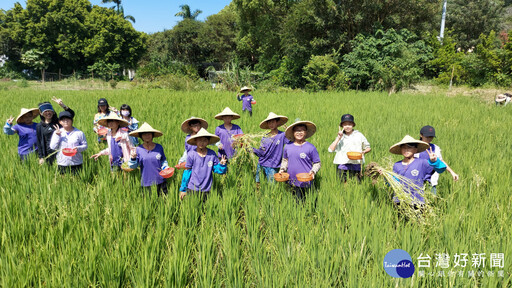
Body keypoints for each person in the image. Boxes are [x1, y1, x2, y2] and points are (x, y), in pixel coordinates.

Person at [388, 135, 446, 206]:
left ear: (415, 150)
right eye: (404, 148)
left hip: (417, 201)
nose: (406, 150)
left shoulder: (422, 163)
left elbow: (441, 169)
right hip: (400, 201)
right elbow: (394, 182)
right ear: (401, 150)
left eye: (409, 148)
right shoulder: (397, 165)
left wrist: (434, 161)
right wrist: (385, 176)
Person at [179, 128, 228, 201]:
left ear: (208, 142)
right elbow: (187, 172)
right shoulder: (191, 154)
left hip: (207, 189)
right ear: (196, 141)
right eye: (200, 140)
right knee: (193, 210)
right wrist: (183, 189)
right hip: (192, 188)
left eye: (205, 140)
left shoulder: (212, 154)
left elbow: (217, 169)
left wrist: (222, 165)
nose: (202, 142)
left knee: (205, 211)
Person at [279, 121, 321, 201]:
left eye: (302, 130)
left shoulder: (310, 147)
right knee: (293, 202)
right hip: (291, 180)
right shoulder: (287, 146)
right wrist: (282, 169)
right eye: (297, 130)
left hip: (305, 181)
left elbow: (317, 163)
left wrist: (313, 171)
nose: (299, 133)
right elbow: (285, 160)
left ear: (305, 132)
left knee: (306, 202)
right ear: (293, 132)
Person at [415, 125, 459, 195]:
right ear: (421, 135)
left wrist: (452, 172)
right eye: (427, 137)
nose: (429, 139)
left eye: (431, 137)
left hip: (431, 180)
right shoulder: (414, 147)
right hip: (416, 180)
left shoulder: (435, 148)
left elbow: (441, 161)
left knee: (431, 201)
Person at [128, 123, 170, 196]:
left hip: (160, 180)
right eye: (144, 134)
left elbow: (163, 161)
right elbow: (133, 166)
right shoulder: (138, 149)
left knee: (162, 204)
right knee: (149, 204)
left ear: (152, 135)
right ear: (141, 136)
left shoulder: (159, 147)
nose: (147, 136)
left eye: (149, 134)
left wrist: (166, 167)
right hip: (146, 182)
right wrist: (133, 158)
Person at [328, 114, 371, 183]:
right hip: (343, 165)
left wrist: (364, 152)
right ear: (342, 126)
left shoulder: (359, 135)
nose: (347, 126)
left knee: (356, 185)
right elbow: (330, 150)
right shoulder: (340, 137)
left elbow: (368, 147)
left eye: (349, 124)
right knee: (342, 186)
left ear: (353, 125)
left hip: (356, 163)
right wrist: (338, 138)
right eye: (345, 124)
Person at [253, 112, 290, 184]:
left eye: (273, 122)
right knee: (258, 182)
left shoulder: (282, 135)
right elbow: (261, 152)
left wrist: (289, 132)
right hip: (261, 163)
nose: (271, 124)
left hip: (273, 165)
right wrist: (250, 148)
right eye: (269, 122)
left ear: (277, 122)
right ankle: (258, 194)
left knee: (272, 186)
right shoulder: (265, 137)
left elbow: (291, 142)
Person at [36, 97, 74, 165]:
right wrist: (41, 157)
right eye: (45, 111)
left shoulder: (59, 122)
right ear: (41, 113)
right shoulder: (40, 126)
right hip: (48, 153)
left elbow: (71, 114)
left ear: (53, 111)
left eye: (49, 111)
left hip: (60, 151)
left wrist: (63, 105)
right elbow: (39, 142)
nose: (48, 113)